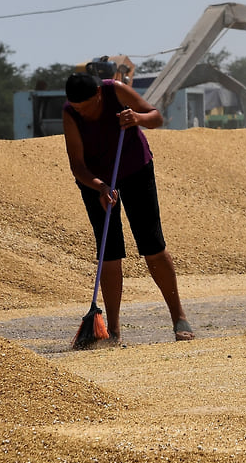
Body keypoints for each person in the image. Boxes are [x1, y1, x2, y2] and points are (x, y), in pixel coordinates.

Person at [62, 72, 194, 343]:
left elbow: (156, 117)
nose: (83, 113)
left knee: (152, 245)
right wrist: (100, 187)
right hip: (97, 180)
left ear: (99, 93)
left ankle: (179, 316)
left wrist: (137, 118)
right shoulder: (70, 114)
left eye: (87, 107)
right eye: (78, 109)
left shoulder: (115, 91)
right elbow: (77, 164)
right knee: (108, 252)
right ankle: (113, 330)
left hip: (135, 168)